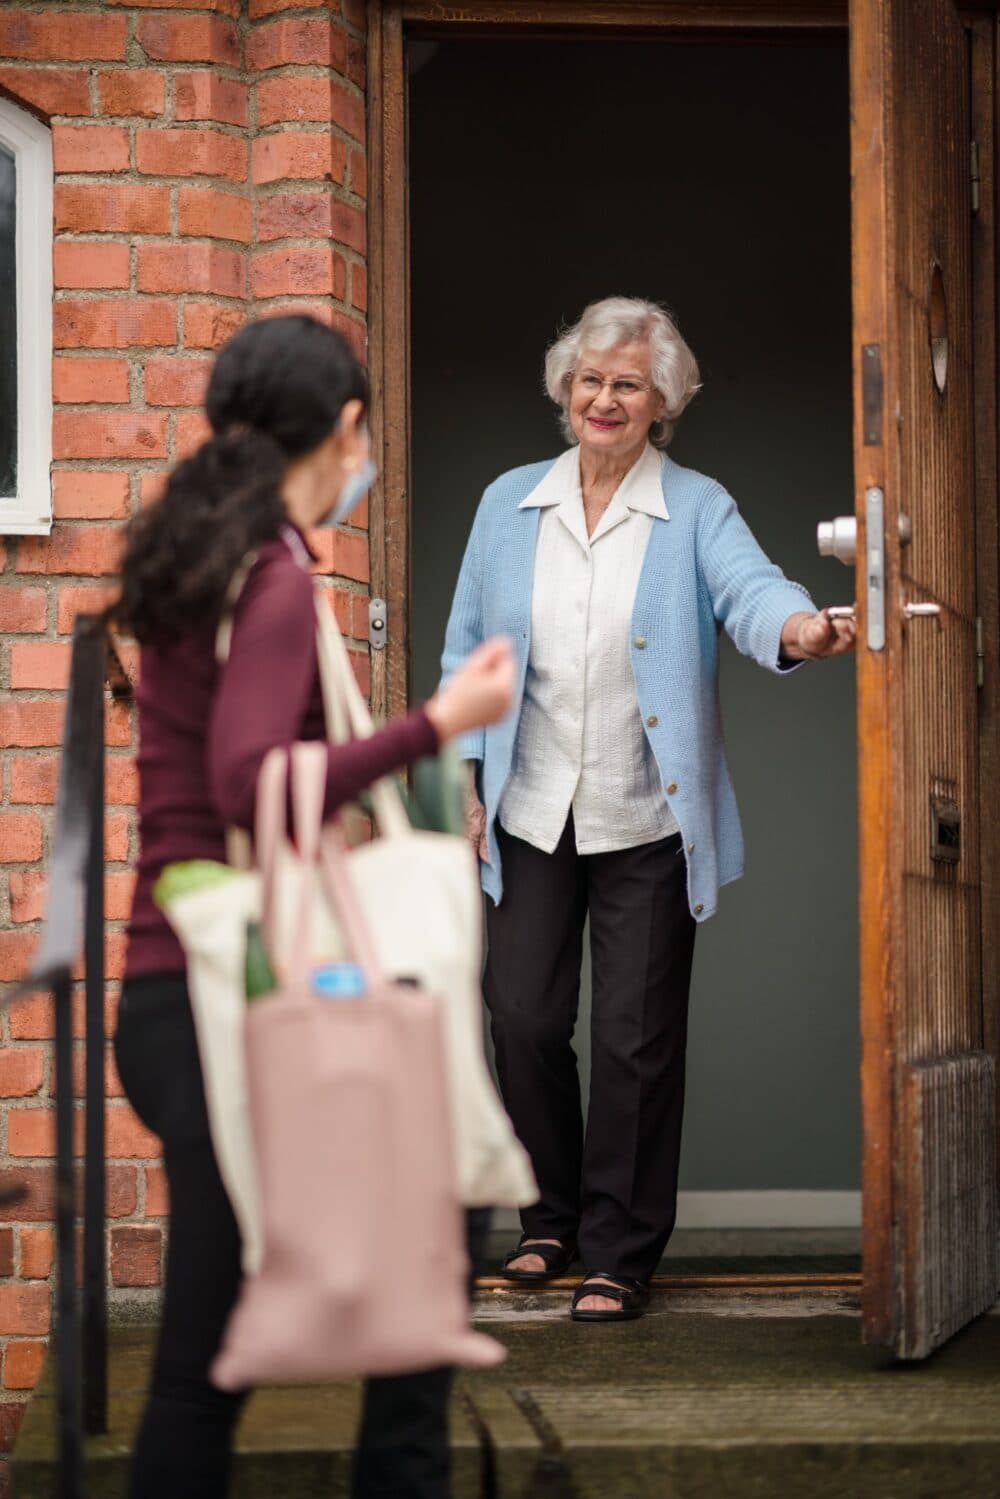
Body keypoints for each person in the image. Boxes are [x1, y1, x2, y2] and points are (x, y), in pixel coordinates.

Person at [109, 314, 516, 1499]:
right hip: (235, 992)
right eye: (365, 435)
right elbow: (248, 783)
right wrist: (434, 728)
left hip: (175, 990)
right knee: (432, 1235)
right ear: (345, 430)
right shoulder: (275, 576)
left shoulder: (200, 554)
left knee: (206, 1361)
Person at [443, 295, 856, 1323]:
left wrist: (799, 627)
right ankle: (548, 1220)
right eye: (589, 379)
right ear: (563, 388)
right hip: (529, 804)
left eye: (628, 383)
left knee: (636, 1039)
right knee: (522, 1016)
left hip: (647, 815)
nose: (604, 397)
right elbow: (464, 652)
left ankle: (619, 1250)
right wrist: (457, 773)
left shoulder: (695, 508)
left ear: (662, 400)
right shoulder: (507, 506)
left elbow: (750, 590)